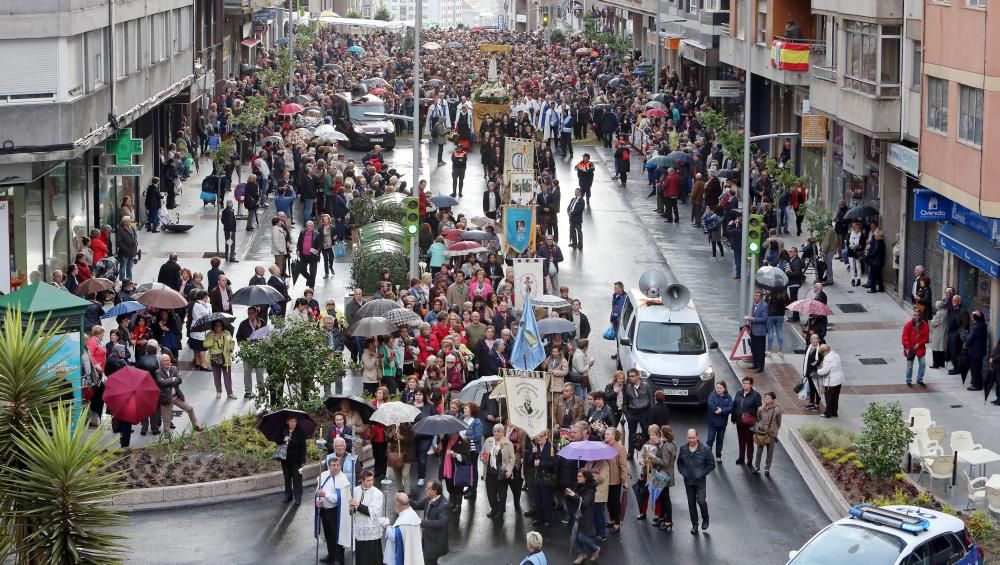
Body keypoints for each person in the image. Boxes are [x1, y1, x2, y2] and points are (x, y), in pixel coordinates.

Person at [676, 428, 715, 535]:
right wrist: (683, 472)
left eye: (693, 437)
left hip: (700, 481)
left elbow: (712, 464)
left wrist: (702, 473)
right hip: (688, 481)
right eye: (689, 438)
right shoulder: (683, 448)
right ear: (687, 437)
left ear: (697, 437)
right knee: (691, 503)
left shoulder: (705, 449)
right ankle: (695, 525)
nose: (691, 440)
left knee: (701, 501)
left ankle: (705, 518)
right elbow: (679, 463)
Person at [316, 457, 352, 564]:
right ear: (329, 466)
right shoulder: (323, 476)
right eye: (333, 465)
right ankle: (331, 555)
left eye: (338, 465)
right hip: (324, 510)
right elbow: (318, 491)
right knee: (328, 534)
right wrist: (318, 500)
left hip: (336, 511)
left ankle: (339, 559)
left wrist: (325, 495)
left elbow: (339, 498)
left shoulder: (342, 479)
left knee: (337, 535)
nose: (336, 467)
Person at [155, 354, 203, 433]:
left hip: (176, 396)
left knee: (190, 408)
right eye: (164, 361)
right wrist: (172, 379)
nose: (167, 362)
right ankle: (167, 435)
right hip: (166, 398)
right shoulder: (158, 372)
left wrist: (168, 381)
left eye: (168, 360)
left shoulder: (174, 368)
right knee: (166, 419)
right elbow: (161, 383)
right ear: (161, 362)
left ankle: (196, 425)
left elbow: (179, 380)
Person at [565, 468, 600, 564]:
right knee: (575, 536)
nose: (578, 478)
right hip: (577, 514)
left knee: (582, 537)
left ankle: (595, 548)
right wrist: (568, 494)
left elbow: (584, 503)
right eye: (577, 475)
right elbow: (574, 498)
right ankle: (582, 554)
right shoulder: (578, 485)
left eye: (580, 476)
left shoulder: (590, 490)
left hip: (586, 516)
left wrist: (573, 495)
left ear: (586, 478)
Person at [481, 423, 515, 519]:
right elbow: (483, 453)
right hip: (490, 472)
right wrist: (483, 458)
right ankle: (494, 509)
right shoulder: (488, 441)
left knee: (502, 493)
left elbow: (512, 458)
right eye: (494, 431)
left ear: (502, 432)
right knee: (491, 493)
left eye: (498, 431)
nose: (496, 433)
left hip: (501, 473)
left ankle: (500, 511)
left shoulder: (508, 443)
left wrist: (509, 470)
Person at [350, 470, 385, 565]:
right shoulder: (355, 490)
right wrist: (351, 508)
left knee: (372, 557)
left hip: (371, 529)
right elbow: (351, 509)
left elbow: (373, 512)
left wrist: (357, 505)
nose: (371, 482)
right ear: (362, 480)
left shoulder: (377, 493)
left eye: (372, 480)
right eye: (368, 480)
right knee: (361, 556)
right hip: (359, 528)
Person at [412, 480, 450, 565]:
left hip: (436, 542)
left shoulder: (444, 505)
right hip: (428, 538)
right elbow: (417, 505)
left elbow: (442, 522)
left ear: (435, 491)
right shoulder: (429, 499)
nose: (425, 489)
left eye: (428, 488)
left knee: (429, 561)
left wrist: (423, 523)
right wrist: (406, 500)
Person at [383, 493, 423, 565]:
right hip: (413, 553)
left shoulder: (403, 521)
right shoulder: (412, 514)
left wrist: (387, 525)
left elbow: (393, 537)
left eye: (395, 502)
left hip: (404, 555)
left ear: (398, 504)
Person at [731, 376, 762, 466]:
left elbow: (759, 410)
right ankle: (741, 457)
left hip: (749, 423)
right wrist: (733, 418)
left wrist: (757, 421)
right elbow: (735, 406)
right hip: (739, 422)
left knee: (749, 441)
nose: (744, 385)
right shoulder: (738, 393)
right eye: (743, 383)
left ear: (751, 385)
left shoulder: (756, 395)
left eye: (746, 383)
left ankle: (749, 459)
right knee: (741, 440)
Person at [529, 432, 557, 528]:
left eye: (541, 436)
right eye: (538, 436)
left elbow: (554, 463)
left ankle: (548, 519)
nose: (539, 438)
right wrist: (533, 454)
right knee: (538, 499)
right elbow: (530, 462)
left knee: (546, 500)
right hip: (537, 477)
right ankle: (539, 517)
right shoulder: (536, 447)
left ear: (546, 436)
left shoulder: (551, 447)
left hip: (547, 478)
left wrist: (541, 463)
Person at [277, 414, 307, 504]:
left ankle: (297, 497)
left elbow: (303, 446)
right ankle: (288, 496)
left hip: (296, 460)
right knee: (287, 478)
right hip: (285, 459)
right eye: (291, 421)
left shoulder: (300, 431)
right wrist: (284, 439)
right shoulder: (283, 429)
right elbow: (277, 440)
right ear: (287, 422)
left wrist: (303, 460)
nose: (293, 423)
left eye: (294, 421)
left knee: (297, 479)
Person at [203, 320, 236, 400]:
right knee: (216, 376)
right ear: (213, 326)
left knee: (227, 376)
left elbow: (232, 342)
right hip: (215, 358)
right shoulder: (210, 334)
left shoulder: (227, 333)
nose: (218, 327)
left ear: (222, 326)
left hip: (226, 357)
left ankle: (230, 393)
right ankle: (218, 391)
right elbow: (205, 344)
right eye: (216, 326)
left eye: (219, 326)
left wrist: (231, 347)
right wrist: (214, 340)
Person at [751, 392, 782, 476]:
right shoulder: (760, 409)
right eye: (765, 398)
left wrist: (774, 430)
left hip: (771, 434)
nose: (766, 399)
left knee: (770, 452)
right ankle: (757, 467)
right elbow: (758, 419)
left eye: (768, 398)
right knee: (759, 450)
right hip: (762, 433)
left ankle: (767, 468)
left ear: (773, 400)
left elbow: (779, 422)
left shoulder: (777, 410)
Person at [624, 368, 653, 456]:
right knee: (631, 433)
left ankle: (647, 454)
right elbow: (624, 403)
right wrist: (627, 415)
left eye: (632, 376)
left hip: (644, 413)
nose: (630, 378)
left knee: (646, 433)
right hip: (632, 413)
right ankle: (630, 453)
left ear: (638, 376)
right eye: (629, 376)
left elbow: (651, 401)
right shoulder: (628, 388)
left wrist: (651, 415)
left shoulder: (646, 386)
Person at [705, 382, 732, 463]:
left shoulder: (728, 397)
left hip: (722, 423)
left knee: (720, 440)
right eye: (717, 387)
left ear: (724, 389)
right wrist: (717, 409)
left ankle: (718, 456)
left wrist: (722, 410)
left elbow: (731, 408)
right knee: (710, 439)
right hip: (712, 423)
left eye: (720, 388)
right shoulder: (712, 395)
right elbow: (710, 404)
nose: (718, 389)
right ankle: (708, 456)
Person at [902, 311, 930, 387]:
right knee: (909, 365)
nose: (914, 316)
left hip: (920, 348)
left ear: (920, 316)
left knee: (923, 364)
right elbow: (905, 337)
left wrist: (919, 343)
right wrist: (907, 347)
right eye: (914, 315)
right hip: (910, 348)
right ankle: (908, 380)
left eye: (916, 315)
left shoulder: (924, 324)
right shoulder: (908, 324)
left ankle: (919, 379)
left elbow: (926, 337)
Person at [816, 344, 844, 418]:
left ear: (824, 352)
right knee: (835, 397)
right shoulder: (836, 355)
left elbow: (824, 371)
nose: (822, 355)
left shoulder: (827, 358)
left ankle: (828, 413)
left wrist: (818, 370)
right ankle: (834, 412)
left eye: (822, 353)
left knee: (829, 398)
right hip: (839, 379)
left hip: (831, 381)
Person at [965, 310, 988, 391]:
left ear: (975, 318)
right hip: (979, 351)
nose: (971, 317)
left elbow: (970, 340)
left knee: (975, 369)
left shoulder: (976, 327)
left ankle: (977, 385)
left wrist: (966, 343)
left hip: (975, 351)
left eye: (972, 316)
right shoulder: (983, 325)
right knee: (977, 368)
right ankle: (975, 382)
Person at [745, 290, 768, 372]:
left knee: (760, 350)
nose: (755, 297)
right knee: (753, 348)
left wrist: (753, 319)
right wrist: (750, 318)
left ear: (761, 297)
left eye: (757, 296)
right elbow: (753, 314)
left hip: (760, 332)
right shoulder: (754, 304)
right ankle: (755, 364)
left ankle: (761, 367)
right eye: (755, 295)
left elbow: (764, 319)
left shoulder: (764, 305)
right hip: (753, 330)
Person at [297, 220, 321, 289]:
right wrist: (298, 250)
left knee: (313, 272)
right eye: (308, 226)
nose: (309, 227)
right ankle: (309, 279)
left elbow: (320, 245)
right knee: (301, 269)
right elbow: (299, 243)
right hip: (303, 255)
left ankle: (311, 287)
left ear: (313, 227)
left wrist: (318, 252)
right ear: (306, 226)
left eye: (311, 226)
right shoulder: (302, 233)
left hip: (313, 257)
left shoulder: (317, 234)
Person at [802, 333, 824, 411]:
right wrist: (805, 372)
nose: (815, 344)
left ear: (818, 341)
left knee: (817, 388)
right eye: (813, 342)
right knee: (811, 388)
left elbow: (822, 360)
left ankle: (817, 404)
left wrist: (817, 362)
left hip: (816, 372)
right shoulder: (808, 347)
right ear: (810, 341)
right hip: (809, 372)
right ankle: (811, 402)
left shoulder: (820, 349)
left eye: (816, 342)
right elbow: (806, 360)